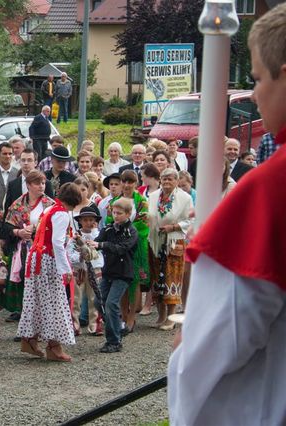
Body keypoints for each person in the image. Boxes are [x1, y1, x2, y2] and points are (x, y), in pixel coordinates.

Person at [168, 6, 286, 424]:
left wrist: (189, 347)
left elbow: (222, 342)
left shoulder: (271, 189)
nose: (254, 95)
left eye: (256, 78)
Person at [19, 182, 81, 361]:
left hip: (36, 258)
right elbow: (57, 242)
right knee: (54, 302)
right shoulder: (62, 214)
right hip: (47, 261)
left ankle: (30, 339)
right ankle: (54, 346)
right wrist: (65, 269)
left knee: (37, 300)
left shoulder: (50, 209)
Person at [3, 170, 55, 323]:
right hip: (23, 251)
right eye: (38, 183)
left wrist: (36, 232)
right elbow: (6, 227)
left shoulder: (49, 204)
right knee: (24, 286)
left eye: (43, 183)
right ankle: (25, 320)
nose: (41, 186)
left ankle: (41, 320)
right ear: (29, 185)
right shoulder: (18, 204)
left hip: (43, 251)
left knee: (40, 286)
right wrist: (19, 232)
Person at [87, 198, 139, 353]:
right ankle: (117, 327)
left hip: (123, 273)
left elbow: (122, 248)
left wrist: (101, 245)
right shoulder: (109, 228)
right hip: (108, 271)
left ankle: (114, 341)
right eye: (114, 212)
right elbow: (96, 242)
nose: (115, 216)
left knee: (111, 304)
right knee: (99, 302)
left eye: (119, 213)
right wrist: (85, 244)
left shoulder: (131, 231)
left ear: (128, 214)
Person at [148, 168, 193, 331]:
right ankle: (160, 315)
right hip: (155, 240)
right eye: (164, 179)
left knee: (172, 278)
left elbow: (191, 220)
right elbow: (150, 215)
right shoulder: (153, 196)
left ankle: (171, 317)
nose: (167, 182)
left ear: (176, 181)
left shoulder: (184, 198)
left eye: (170, 179)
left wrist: (174, 227)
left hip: (174, 242)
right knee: (156, 278)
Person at [117, 170, 149, 334]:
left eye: (131, 182)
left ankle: (131, 317)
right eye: (125, 181)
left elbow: (144, 226)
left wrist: (128, 232)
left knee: (134, 281)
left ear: (136, 183)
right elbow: (110, 221)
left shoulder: (142, 201)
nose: (127, 185)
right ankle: (122, 316)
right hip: (119, 247)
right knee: (121, 280)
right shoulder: (115, 200)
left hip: (135, 246)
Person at [68, 206, 104, 336]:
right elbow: (70, 254)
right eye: (85, 220)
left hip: (94, 268)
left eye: (91, 220)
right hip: (79, 269)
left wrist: (94, 233)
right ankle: (74, 324)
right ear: (80, 221)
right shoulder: (75, 237)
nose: (88, 222)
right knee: (76, 298)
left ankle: (94, 324)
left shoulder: (98, 235)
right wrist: (79, 257)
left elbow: (100, 251)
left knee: (94, 297)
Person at [2, 148, 55, 215]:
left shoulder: (45, 183)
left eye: (29, 160)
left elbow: (51, 208)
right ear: (20, 162)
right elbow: (7, 209)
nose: (26, 163)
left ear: (35, 163)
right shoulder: (13, 184)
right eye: (23, 160)